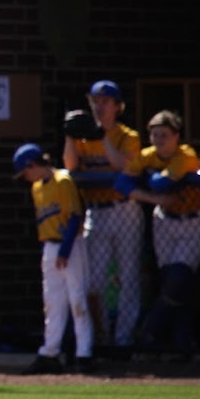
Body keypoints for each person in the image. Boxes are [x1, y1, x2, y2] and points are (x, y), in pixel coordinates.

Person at [117, 110, 200, 360]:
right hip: (164, 221)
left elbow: (161, 183)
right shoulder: (148, 155)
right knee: (172, 283)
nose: (158, 140)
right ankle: (182, 344)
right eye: (155, 135)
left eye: (164, 135)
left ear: (176, 136)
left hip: (192, 221)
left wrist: (146, 176)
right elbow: (121, 184)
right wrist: (152, 197)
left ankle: (150, 331)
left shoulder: (185, 155)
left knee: (179, 278)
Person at [63, 79, 144, 352]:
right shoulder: (83, 136)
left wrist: (102, 136)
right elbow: (70, 165)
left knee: (128, 277)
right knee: (93, 280)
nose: (99, 107)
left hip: (124, 210)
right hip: (95, 212)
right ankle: (100, 336)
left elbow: (121, 165)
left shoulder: (128, 136)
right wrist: (70, 135)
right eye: (95, 101)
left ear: (118, 107)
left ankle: (123, 339)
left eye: (105, 102)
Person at [12, 144, 94, 374]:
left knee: (77, 299)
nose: (26, 177)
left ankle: (84, 354)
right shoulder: (37, 188)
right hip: (49, 246)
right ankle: (50, 352)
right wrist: (51, 252)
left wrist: (64, 251)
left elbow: (75, 216)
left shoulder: (62, 180)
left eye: (26, 172)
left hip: (71, 245)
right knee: (52, 302)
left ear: (33, 165)